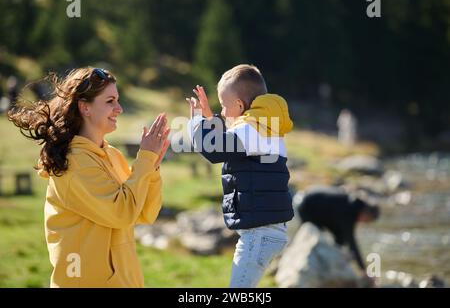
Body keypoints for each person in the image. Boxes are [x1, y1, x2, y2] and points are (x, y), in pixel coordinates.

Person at [7, 67, 170, 287]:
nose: (119, 108)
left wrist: (151, 167)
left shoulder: (111, 154)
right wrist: (144, 160)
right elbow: (123, 212)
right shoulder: (75, 163)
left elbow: (144, 213)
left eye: (118, 100)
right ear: (85, 107)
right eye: (110, 101)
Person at [186, 64, 294, 287]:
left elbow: (214, 149)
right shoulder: (263, 124)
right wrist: (209, 118)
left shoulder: (253, 129)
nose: (223, 113)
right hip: (265, 229)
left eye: (224, 106)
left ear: (239, 105)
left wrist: (196, 122)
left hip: (260, 233)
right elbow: (229, 140)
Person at [296, 186, 379, 272]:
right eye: (367, 221)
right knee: (313, 239)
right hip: (306, 206)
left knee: (339, 238)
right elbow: (352, 243)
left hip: (310, 201)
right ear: (365, 214)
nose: (363, 223)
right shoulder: (349, 211)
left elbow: (341, 237)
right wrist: (364, 270)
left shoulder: (352, 204)